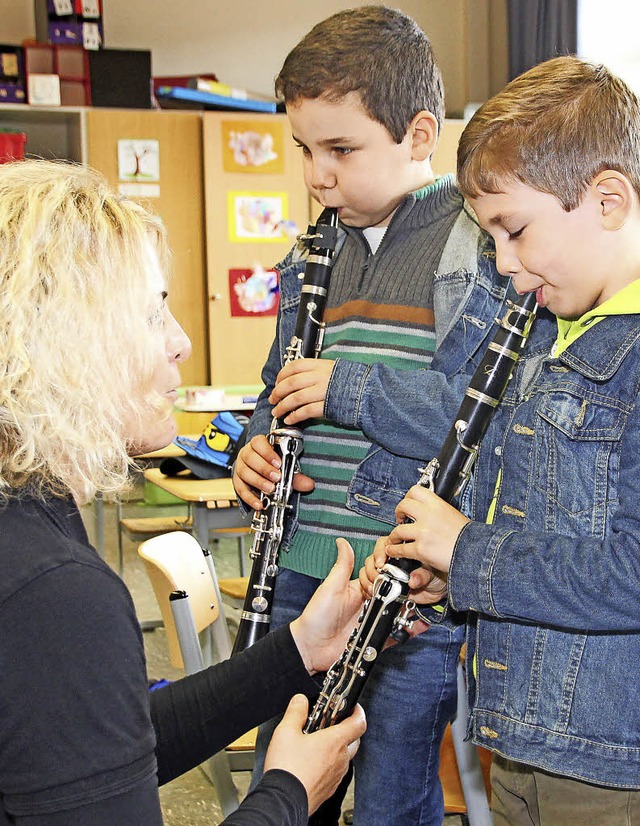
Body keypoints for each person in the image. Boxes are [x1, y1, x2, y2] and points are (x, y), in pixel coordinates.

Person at [0, 158, 368, 826]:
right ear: (65, 344)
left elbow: (97, 745)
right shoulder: (53, 592)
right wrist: (288, 793)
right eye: (150, 315)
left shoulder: (27, 528)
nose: (181, 340)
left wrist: (296, 653)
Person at [232, 6, 512, 824]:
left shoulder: (473, 247)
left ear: (419, 135)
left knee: (392, 796)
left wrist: (350, 391)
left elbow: (479, 420)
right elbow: (274, 389)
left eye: (340, 150)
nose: (317, 176)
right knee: (287, 780)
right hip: (299, 576)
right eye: (304, 151)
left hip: (408, 594)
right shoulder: (312, 250)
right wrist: (255, 445)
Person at [365, 55, 640, 826]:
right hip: (522, 742)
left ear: (609, 200)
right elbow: (545, 529)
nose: (504, 267)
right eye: (489, 239)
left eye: (514, 231)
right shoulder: (546, 338)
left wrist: (471, 552)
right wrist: (452, 581)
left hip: (611, 768)